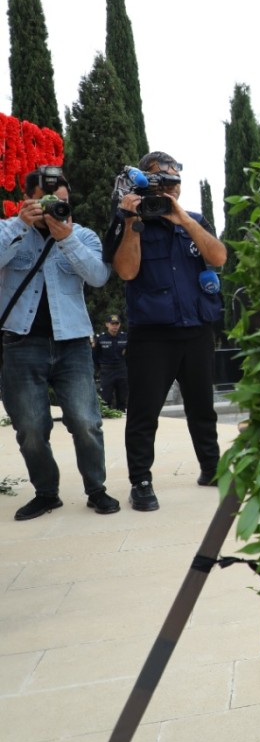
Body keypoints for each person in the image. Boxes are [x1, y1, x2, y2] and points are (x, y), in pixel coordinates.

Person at [110, 151, 227, 511]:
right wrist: (131, 221)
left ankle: (211, 468)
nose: (171, 187)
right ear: (145, 183)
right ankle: (141, 481)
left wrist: (183, 220)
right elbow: (127, 272)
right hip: (152, 333)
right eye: (163, 180)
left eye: (175, 180)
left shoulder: (193, 219)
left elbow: (219, 257)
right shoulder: (129, 220)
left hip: (195, 329)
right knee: (144, 412)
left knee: (202, 407)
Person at [1, 168, 120, 519]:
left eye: (62, 202)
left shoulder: (82, 235)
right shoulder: (9, 230)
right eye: (47, 201)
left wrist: (65, 237)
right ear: (29, 200)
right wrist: (19, 225)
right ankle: (46, 493)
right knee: (31, 428)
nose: (55, 208)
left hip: (73, 345)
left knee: (86, 421)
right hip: (20, 344)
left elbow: (98, 276)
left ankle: (96, 489)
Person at [93, 312, 129, 412]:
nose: (115, 326)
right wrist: (98, 370)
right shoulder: (101, 338)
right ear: (107, 324)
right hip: (107, 370)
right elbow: (95, 356)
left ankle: (121, 419)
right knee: (106, 398)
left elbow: (129, 355)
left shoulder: (124, 337)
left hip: (121, 370)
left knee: (122, 398)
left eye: (116, 324)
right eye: (112, 324)